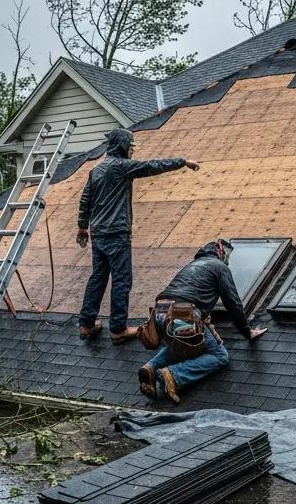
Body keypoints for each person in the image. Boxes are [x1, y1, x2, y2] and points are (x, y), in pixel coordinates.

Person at [77, 128, 199, 343]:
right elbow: (152, 166)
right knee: (122, 280)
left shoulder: (96, 170)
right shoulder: (120, 167)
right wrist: (183, 162)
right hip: (116, 233)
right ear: (123, 146)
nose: (132, 150)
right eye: (131, 146)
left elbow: (85, 198)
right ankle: (118, 329)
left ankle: (86, 324)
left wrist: (82, 226)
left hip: (98, 234)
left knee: (98, 277)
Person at [138, 239, 268, 403]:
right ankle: (174, 374)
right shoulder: (219, 267)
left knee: (179, 343)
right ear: (221, 253)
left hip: (159, 314)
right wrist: (247, 331)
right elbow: (233, 302)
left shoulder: (193, 265)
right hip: (179, 315)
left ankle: (150, 367)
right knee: (220, 356)